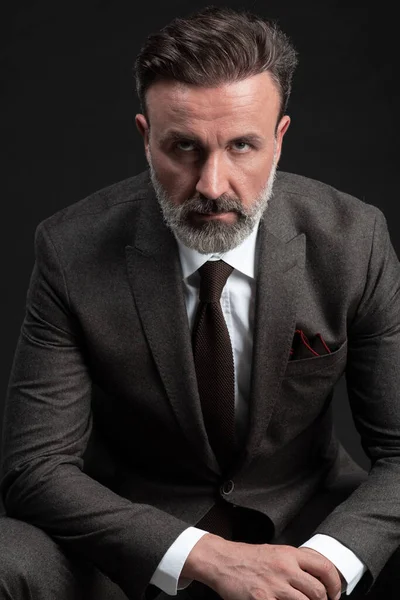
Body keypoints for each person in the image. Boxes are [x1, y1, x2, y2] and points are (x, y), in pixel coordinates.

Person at [1, 5, 399, 600]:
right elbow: (34, 469)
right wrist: (200, 556)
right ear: (145, 136)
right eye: (183, 148)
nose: (213, 185)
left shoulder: (354, 240)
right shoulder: (71, 249)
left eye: (242, 146)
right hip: (131, 546)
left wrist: (322, 567)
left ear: (280, 139)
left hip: (308, 526)